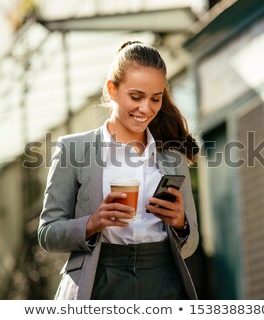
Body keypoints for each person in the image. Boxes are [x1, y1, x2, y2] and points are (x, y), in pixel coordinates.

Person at [38, 40, 200, 300]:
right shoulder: (73, 150)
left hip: (162, 278)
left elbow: (191, 243)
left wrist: (180, 223)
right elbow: (47, 232)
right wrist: (91, 224)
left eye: (155, 99)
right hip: (99, 279)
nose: (146, 109)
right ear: (111, 89)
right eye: (136, 97)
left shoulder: (172, 157)